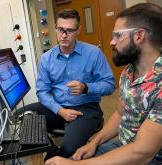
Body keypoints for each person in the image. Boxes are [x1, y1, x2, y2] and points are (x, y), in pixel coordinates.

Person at [45, 3, 162, 165]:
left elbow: (143, 151)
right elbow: (120, 114)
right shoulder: (129, 72)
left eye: (117, 36)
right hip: (123, 145)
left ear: (139, 36)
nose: (112, 42)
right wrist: (94, 142)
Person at [24, 9, 115, 158]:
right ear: (55, 28)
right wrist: (60, 110)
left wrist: (86, 87)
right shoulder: (47, 58)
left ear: (78, 30)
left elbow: (109, 85)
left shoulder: (93, 53)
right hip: (57, 107)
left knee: (68, 148)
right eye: (61, 30)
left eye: (70, 30)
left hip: (85, 109)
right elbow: (42, 91)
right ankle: (50, 150)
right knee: (23, 115)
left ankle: (55, 158)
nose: (64, 35)